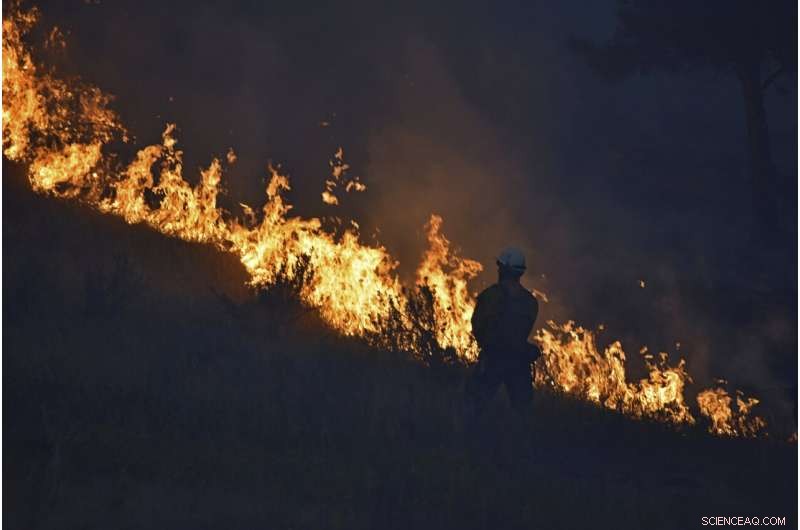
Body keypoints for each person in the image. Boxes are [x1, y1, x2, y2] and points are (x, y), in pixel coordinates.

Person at [467, 247, 540, 414]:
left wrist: (489, 346)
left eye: (500, 267)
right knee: (522, 410)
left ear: (504, 270)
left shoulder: (490, 296)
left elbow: (478, 325)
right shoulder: (530, 301)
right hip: (519, 361)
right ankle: (515, 431)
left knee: (474, 404)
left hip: (494, 358)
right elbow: (524, 329)